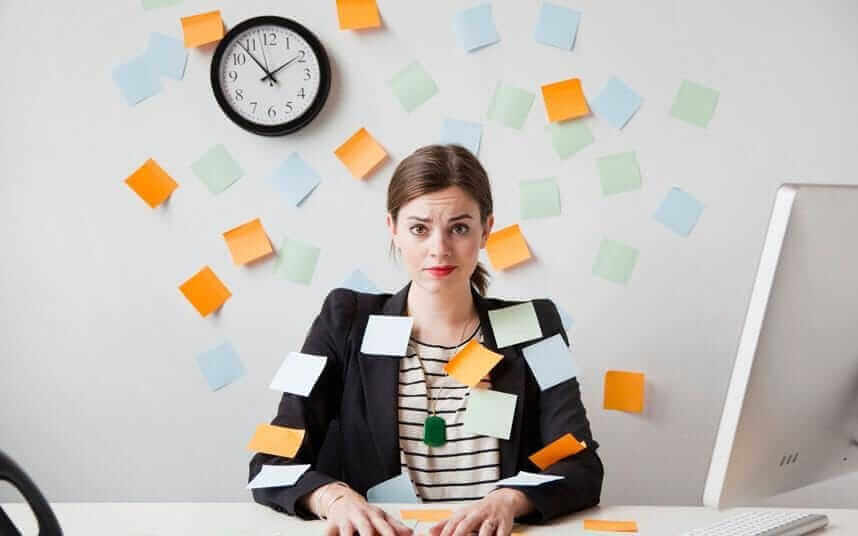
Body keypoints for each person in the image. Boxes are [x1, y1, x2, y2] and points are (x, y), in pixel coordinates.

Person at [249, 144, 604, 536]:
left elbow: (581, 465)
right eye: (420, 228)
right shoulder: (345, 319)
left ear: (486, 230)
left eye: (460, 227)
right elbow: (271, 464)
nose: (439, 249)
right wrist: (334, 498)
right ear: (393, 229)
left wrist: (509, 499)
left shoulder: (535, 325)